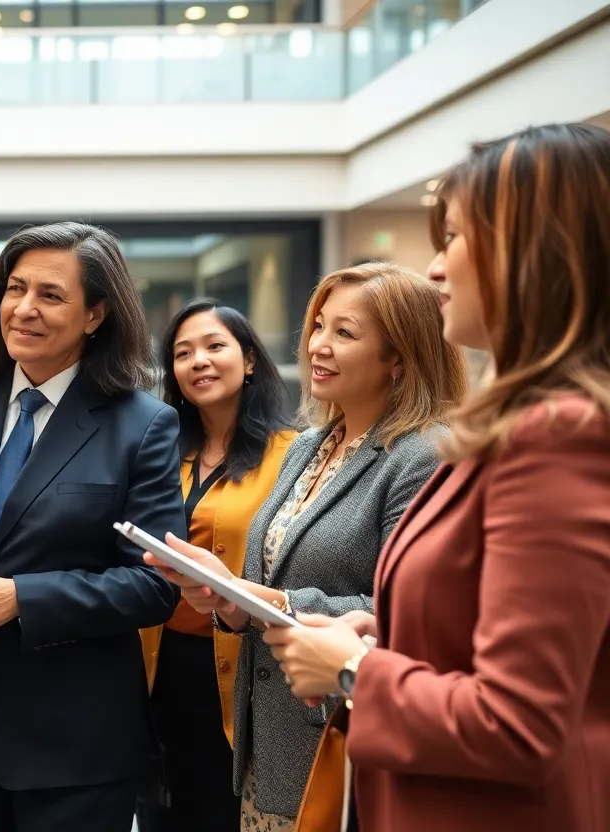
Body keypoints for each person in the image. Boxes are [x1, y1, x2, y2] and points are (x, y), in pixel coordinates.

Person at [265, 122, 610, 832]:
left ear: (534, 253)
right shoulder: (519, 424)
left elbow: (520, 723)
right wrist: (387, 632)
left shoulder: (559, 436)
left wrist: (355, 671)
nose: (435, 269)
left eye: (453, 238)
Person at [0, 221, 184, 832]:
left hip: (73, 741)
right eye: (14, 289)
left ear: (96, 314)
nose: (23, 308)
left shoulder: (143, 425)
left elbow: (155, 585)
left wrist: (21, 598)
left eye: (51, 295)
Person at [145, 261, 467, 829]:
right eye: (318, 326)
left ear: (399, 356)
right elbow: (271, 579)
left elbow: (410, 613)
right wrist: (228, 600)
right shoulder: (311, 446)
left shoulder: (424, 455)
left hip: (346, 738)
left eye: (344, 332)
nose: (317, 345)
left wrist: (268, 602)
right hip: (269, 744)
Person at [136, 300, 295, 832]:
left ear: (249, 360)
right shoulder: (158, 451)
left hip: (241, 667)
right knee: (160, 811)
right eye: (182, 353)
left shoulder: (292, 454)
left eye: (214, 346)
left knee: (219, 813)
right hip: (156, 666)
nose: (198, 361)